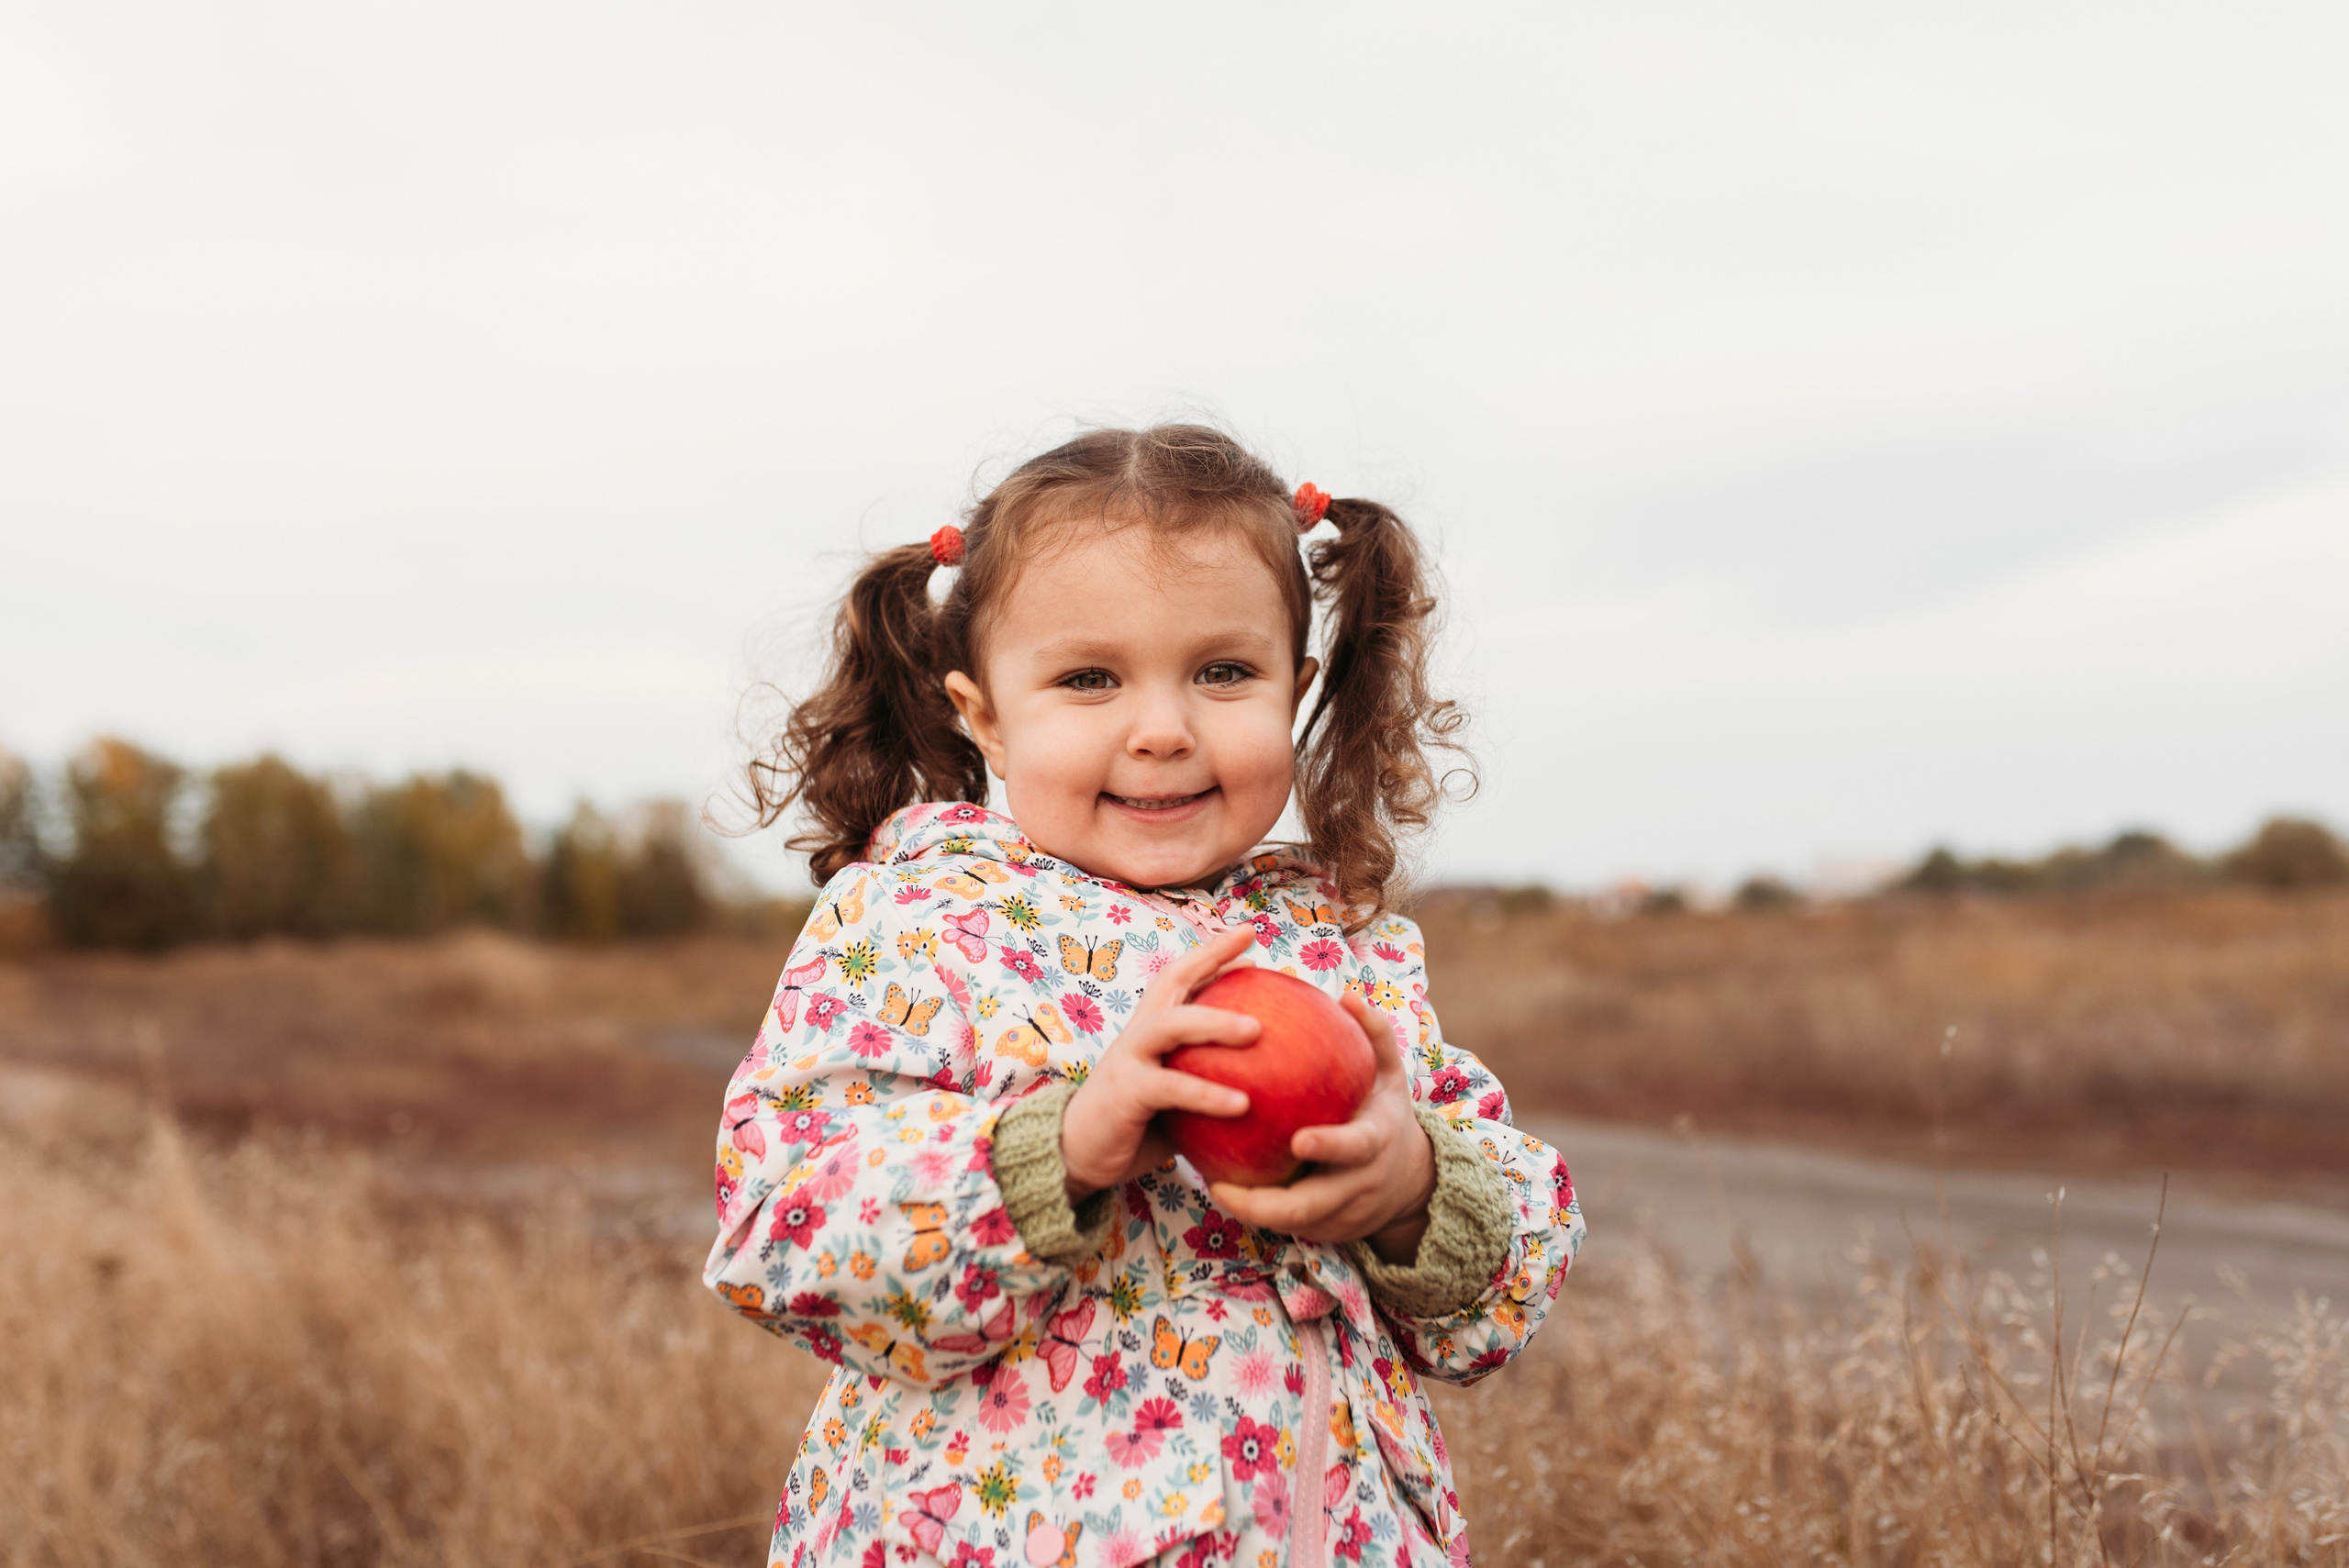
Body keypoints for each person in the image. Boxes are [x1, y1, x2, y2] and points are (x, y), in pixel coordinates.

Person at [707, 425, 1583, 1568]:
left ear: (1297, 689)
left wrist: (1410, 1180)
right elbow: (782, 1229)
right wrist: (1063, 1144)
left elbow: (1508, 1280)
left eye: (1224, 672)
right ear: (985, 715)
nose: (1163, 728)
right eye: (1088, 678)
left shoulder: (1345, 950)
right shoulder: (914, 926)